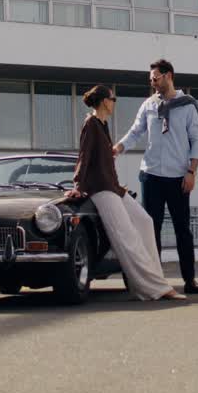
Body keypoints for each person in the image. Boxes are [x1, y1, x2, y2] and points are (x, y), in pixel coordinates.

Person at [66, 85, 184, 301]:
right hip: (100, 189)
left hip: (113, 186)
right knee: (127, 236)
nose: (114, 103)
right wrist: (78, 185)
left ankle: (154, 282)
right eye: (113, 99)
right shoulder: (91, 124)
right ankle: (155, 288)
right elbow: (84, 157)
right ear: (104, 101)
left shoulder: (103, 124)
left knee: (145, 222)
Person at [113, 60, 198, 294]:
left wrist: (192, 172)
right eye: (151, 79)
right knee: (150, 229)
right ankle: (155, 281)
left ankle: (190, 280)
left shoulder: (187, 105)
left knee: (182, 229)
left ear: (169, 76)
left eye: (155, 78)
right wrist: (118, 148)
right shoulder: (149, 105)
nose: (153, 83)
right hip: (151, 175)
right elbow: (136, 132)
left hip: (178, 176)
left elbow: (196, 140)